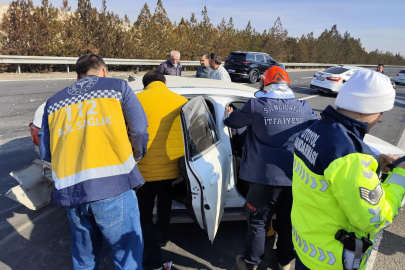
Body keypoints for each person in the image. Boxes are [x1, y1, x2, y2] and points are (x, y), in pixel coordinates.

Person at [38, 53, 148, 270]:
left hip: (72, 193)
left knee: (84, 261)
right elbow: (139, 130)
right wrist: (135, 156)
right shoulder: (117, 88)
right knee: (128, 260)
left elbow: (45, 151)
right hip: (113, 186)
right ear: (104, 71)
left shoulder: (53, 103)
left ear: (77, 77)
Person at [292, 69, 405, 270]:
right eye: (381, 112)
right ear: (366, 107)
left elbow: (328, 177)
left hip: (306, 249)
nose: (380, 119)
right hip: (332, 261)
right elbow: (375, 218)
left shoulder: (313, 130)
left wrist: (375, 163)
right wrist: (401, 175)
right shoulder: (351, 158)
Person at [224, 66, 319, 270]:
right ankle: (284, 261)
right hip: (295, 178)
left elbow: (230, 121)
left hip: (263, 179)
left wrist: (233, 115)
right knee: (288, 222)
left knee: (258, 222)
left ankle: (251, 263)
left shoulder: (257, 105)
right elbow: (314, 131)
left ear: (264, 84)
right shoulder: (303, 106)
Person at [136, 70, 188, 270]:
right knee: (165, 202)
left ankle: (150, 246)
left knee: (145, 213)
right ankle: (163, 234)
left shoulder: (135, 101)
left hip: (144, 171)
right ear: (164, 82)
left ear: (145, 85)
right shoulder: (181, 101)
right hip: (172, 169)